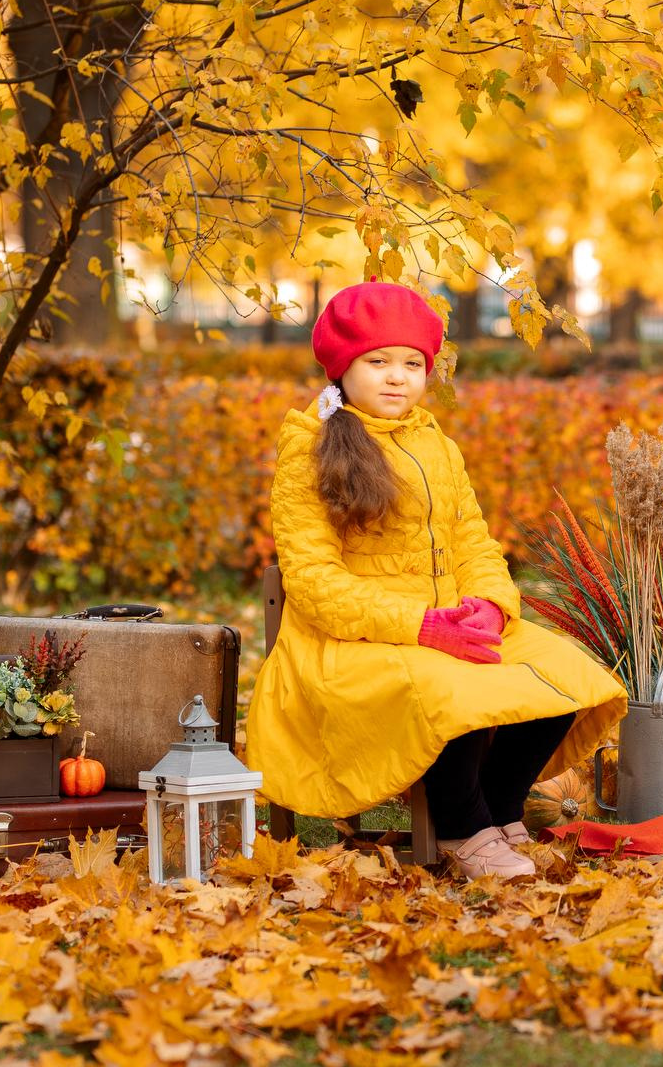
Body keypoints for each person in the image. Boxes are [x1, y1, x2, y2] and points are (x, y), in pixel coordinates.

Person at [247, 282, 626, 880]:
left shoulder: (438, 446)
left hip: (450, 622)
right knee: (453, 686)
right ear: (344, 368)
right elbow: (315, 582)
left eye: (412, 364)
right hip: (352, 641)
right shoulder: (313, 449)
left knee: (567, 673)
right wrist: (422, 626)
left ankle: (498, 808)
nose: (396, 377)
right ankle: (461, 826)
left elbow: (474, 542)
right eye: (377, 362)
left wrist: (491, 607)